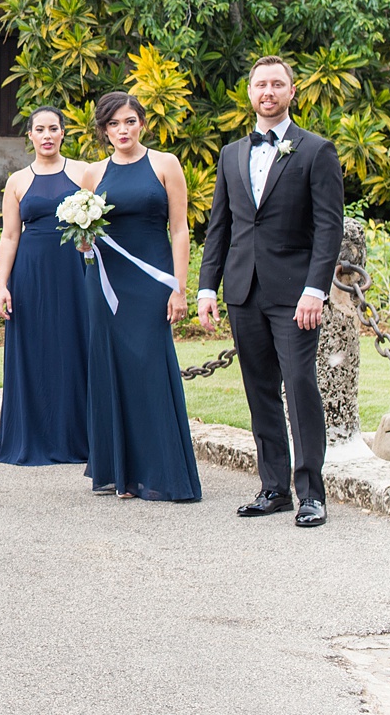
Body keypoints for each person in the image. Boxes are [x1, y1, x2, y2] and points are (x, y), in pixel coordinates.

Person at [199, 55, 345, 528]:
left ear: (292, 92)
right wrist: (207, 287)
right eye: (260, 84)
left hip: (294, 295)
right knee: (259, 389)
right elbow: (219, 227)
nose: (268, 91)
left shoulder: (316, 151)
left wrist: (315, 290)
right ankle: (274, 487)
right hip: (243, 291)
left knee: (300, 386)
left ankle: (311, 494)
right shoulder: (231, 154)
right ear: (249, 93)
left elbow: (329, 228)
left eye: (277, 84)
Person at [78, 92, 202, 502]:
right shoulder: (93, 174)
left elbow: (180, 229)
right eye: (114, 124)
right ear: (104, 131)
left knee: (150, 366)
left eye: (129, 121)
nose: (123, 130)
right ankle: (120, 471)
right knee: (110, 366)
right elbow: (86, 233)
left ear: (142, 123)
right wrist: (83, 243)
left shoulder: (166, 164)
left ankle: (160, 470)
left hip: (152, 280)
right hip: (106, 283)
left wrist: (178, 286)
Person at [0, 106, 93, 466]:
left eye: (53, 128)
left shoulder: (84, 172)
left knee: (77, 346)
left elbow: (100, 224)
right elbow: (9, 236)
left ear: (63, 133)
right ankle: (32, 437)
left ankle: (80, 439)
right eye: (40, 129)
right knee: (34, 349)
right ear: (31, 136)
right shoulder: (18, 181)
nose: (47, 135)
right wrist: (2, 285)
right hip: (31, 275)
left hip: (75, 272)